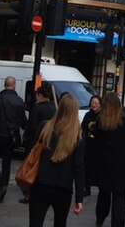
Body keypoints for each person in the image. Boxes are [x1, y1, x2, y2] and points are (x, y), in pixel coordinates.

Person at [28, 94, 84, 227]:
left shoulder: (44, 127)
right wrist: (79, 199)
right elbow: (79, 168)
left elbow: (33, 152)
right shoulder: (77, 136)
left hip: (41, 184)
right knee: (60, 223)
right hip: (63, 189)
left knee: (35, 223)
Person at [94, 92, 125, 227]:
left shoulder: (100, 120)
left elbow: (96, 143)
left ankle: (100, 219)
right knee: (120, 197)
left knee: (103, 194)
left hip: (105, 164)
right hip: (123, 164)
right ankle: (118, 224)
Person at [0, 75, 27, 203]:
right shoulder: (20, 101)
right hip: (11, 137)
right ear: (14, 86)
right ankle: (2, 189)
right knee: (6, 164)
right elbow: (24, 123)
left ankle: (0, 185)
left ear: (4, 85)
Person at [20, 83, 56, 204]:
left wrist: (29, 145)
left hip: (38, 142)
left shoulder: (37, 108)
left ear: (40, 95)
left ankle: (29, 194)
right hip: (50, 142)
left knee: (33, 168)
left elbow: (32, 127)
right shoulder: (53, 107)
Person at [81, 94, 102, 196]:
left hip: (98, 146)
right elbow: (83, 127)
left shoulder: (102, 116)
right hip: (88, 145)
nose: (94, 105)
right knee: (87, 167)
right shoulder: (87, 115)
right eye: (93, 103)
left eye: (97, 103)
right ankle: (87, 187)